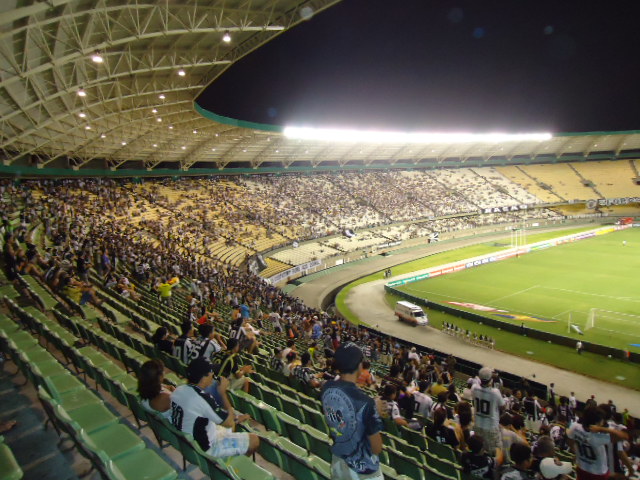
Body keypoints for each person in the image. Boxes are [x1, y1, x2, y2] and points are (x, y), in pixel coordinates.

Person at [170, 357, 259, 458]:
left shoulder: (179, 389)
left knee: (228, 420)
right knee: (254, 439)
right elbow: (229, 423)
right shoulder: (203, 399)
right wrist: (222, 393)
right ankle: (235, 463)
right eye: (211, 372)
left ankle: (238, 422)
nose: (213, 374)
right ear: (203, 378)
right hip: (205, 448)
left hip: (187, 441)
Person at [321, 342, 384, 480]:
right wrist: (375, 411)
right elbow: (376, 448)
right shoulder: (366, 403)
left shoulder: (327, 387)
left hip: (338, 460)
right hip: (362, 470)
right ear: (359, 366)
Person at [567, 406, 628, 480]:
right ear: (596, 423)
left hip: (581, 467)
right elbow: (624, 436)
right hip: (598, 473)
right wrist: (602, 429)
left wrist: (577, 453)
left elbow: (570, 441)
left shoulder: (575, 426)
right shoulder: (598, 437)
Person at [472, 366, 505, 455]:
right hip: (491, 427)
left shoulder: (474, 388)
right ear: (491, 380)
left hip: (478, 425)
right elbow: (503, 406)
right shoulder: (495, 392)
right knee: (494, 453)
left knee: (479, 451)